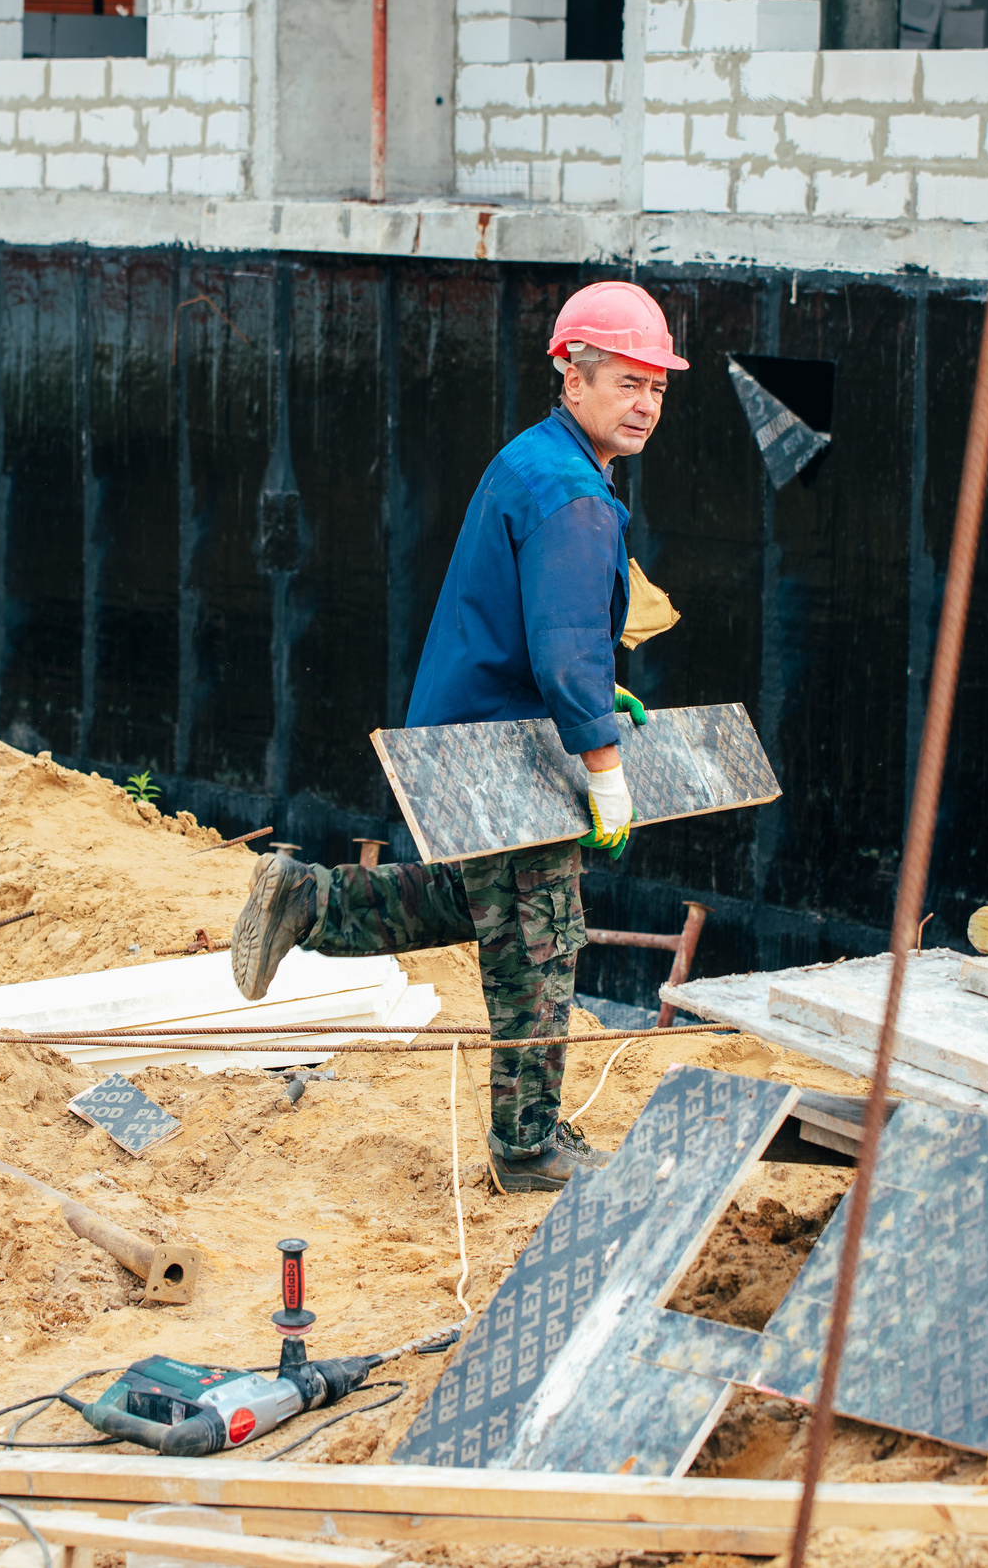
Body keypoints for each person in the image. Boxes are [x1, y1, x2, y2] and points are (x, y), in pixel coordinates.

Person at [231, 280, 685, 1192]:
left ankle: (306, 900)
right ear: (572, 375)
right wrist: (603, 766)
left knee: (470, 902)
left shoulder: (532, 461)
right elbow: (561, 651)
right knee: (541, 938)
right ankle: (528, 1147)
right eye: (626, 383)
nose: (644, 405)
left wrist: (599, 691)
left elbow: (543, 633)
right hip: (508, 750)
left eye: (657, 389)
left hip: (465, 736)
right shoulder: (575, 498)